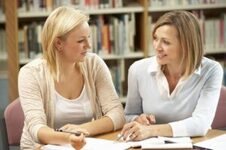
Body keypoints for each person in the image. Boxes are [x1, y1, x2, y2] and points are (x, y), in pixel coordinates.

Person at [18, 6, 125, 149]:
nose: (89, 45)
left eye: (88, 38)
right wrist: (68, 138)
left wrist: (80, 130)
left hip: (83, 145)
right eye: (81, 41)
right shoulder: (30, 73)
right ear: (58, 43)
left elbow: (118, 114)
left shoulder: (94, 64)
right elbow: (37, 128)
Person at [121, 10, 223, 141]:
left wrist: (150, 130)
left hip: (195, 144)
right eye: (155, 38)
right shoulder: (138, 69)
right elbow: (129, 114)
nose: (157, 47)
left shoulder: (211, 70)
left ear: (186, 45)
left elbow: (201, 124)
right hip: (151, 145)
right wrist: (138, 119)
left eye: (166, 42)